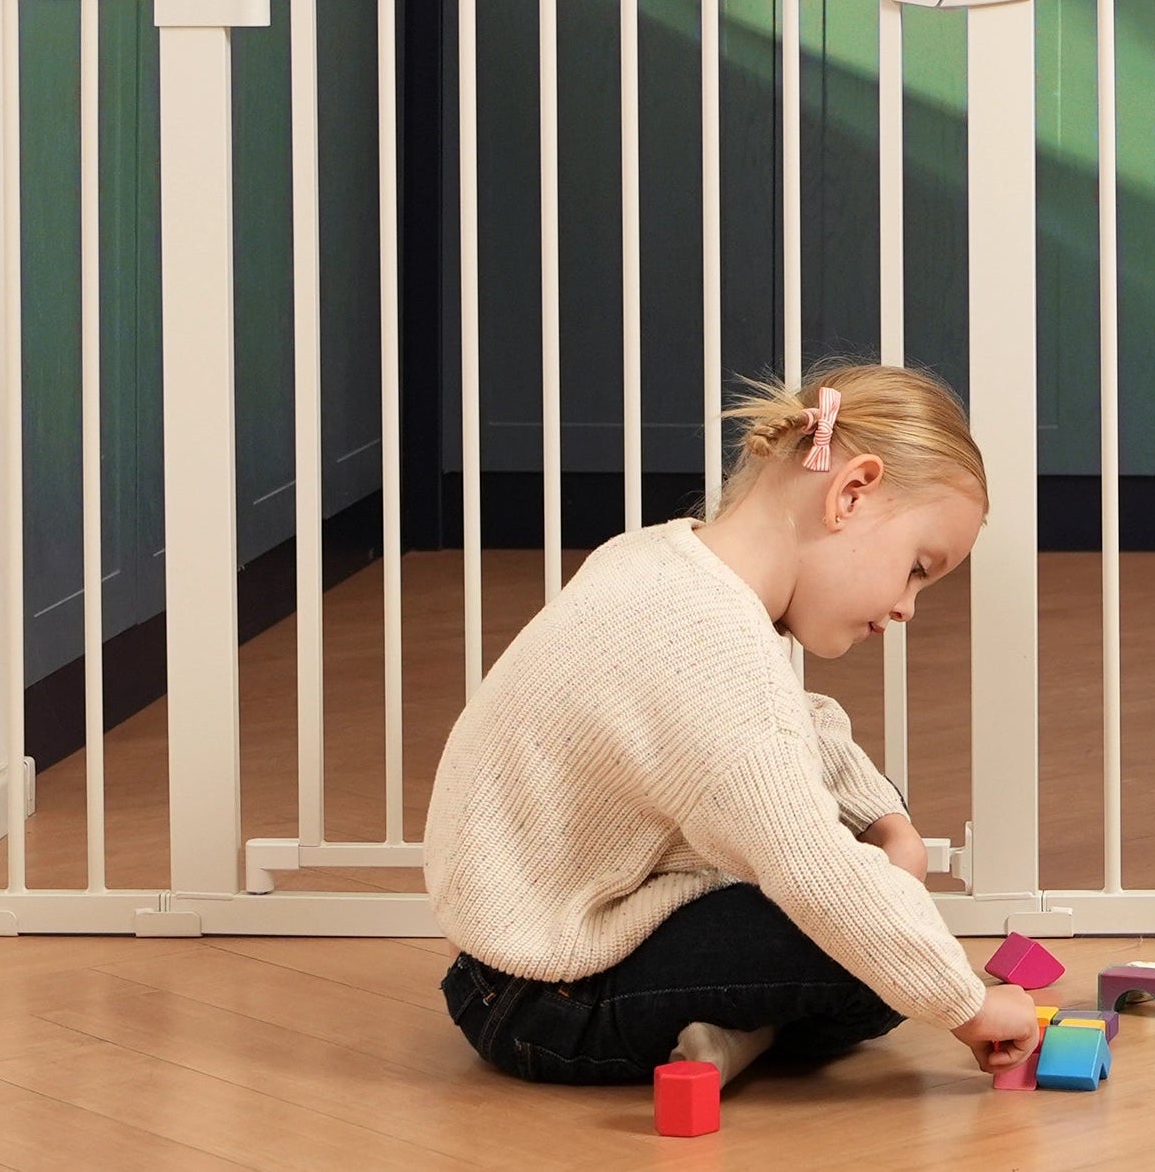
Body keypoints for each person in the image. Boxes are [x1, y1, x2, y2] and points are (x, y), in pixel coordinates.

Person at [423, 361, 1039, 1089]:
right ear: (851, 492)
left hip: (519, 957)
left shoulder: (667, 560)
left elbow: (797, 724)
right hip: (547, 996)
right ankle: (747, 1033)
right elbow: (813, 867)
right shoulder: (707, 644)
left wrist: (886, 823)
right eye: (916, 568)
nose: (907, 607)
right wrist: (968, 1006)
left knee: (879, 919)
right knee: (875, 954)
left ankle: (731, 1037)